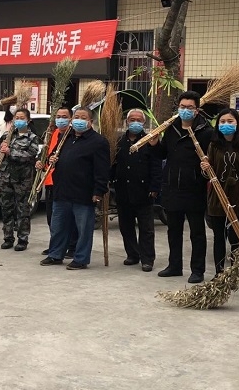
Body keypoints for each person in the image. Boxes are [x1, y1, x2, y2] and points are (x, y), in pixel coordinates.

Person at [152, 91, 214, 283]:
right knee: (174, 230)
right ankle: (174, 266)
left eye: (189, 107)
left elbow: (212, 158)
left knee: (197, 232)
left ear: (197, 110)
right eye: (182, 107)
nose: (185, 110)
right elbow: (164, 153)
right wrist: (155, 144)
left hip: (194, 188)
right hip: (172, 187)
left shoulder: (206, 131)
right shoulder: (171, 128)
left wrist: (206, 166)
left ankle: (197, 270)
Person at [40, 107, 109, 270]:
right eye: (76, 117)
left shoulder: (98, 142)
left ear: (90, 122)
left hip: (84, 193)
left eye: (82, 117)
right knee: (58, 227)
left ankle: (81, 258)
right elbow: (53, 156)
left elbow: (102, 170)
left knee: (83, 229)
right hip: (62, 190)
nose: (78, 120)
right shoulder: (65, 137)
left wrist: (98, 191)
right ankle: (56, 254)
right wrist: (52, 159)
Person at [200, 108, 239, 276]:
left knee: (236, 238)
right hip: (217, 196)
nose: (226, 124)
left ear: (237, 123)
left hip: (238, 197)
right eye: (222, 122)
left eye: (230, 121)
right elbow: (208, 174)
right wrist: (204, 169)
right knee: (218, 237)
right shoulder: (214, 145)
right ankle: (219, 273)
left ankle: (234, 273)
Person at [111, 109, 161, 272]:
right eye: (132, 119)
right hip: (123, 190)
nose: (135, 122)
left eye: (138, 120)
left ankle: (147, 259)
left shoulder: (149, 141)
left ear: (144, 123)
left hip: (143, 191)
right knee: (126, 226)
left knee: (146, 228)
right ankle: (133, 254)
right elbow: (113, 164)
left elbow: (156, 165)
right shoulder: (119, 142)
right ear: (126, 122)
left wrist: (154, 187)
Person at [0, 108, 40, 251]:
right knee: (6, 208)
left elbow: (30, 155)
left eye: (22, 118)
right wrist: (1, 148)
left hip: (22, 178)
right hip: (5, 177)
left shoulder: (32, 137)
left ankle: (22, 239)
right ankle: (8, 237)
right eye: (17, 118)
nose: (19, 120)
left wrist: (11, 152)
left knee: (22, 210)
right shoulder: (7, 135)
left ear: (28, 120)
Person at [39, 107, 78, 258]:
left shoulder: (72, 135)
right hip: (50, 180)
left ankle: (72, 247)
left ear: (70, 119)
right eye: (58, 116)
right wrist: (41, 162)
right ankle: (56, 245)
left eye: (64, 116)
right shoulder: (54, 133)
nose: (60, 119)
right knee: (52, 217)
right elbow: (47, 154)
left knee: (69, 218)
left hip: (65, 181)